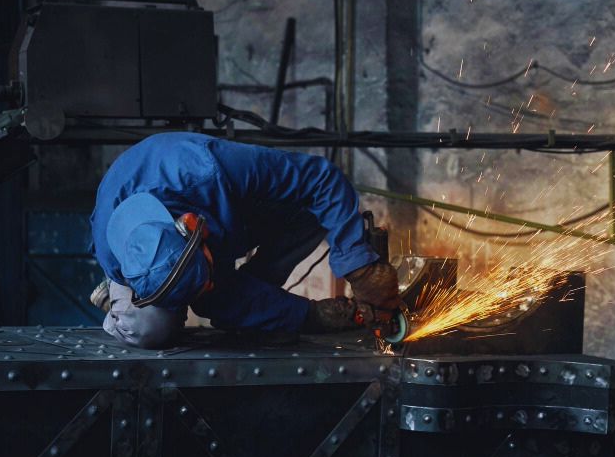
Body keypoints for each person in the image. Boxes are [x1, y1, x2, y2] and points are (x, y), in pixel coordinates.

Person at [89, 132, 400, 349]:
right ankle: (117, 305)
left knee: (312, 208)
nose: (212, 286)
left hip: (219, 204)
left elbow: (322, 180)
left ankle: (258, 300)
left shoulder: (213, 169)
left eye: (208, 278)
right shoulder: (113, 255)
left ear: (193, 226)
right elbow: (215, 300)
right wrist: (309, 316)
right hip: (154, 261)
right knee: (152, 330)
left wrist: (360, 267)